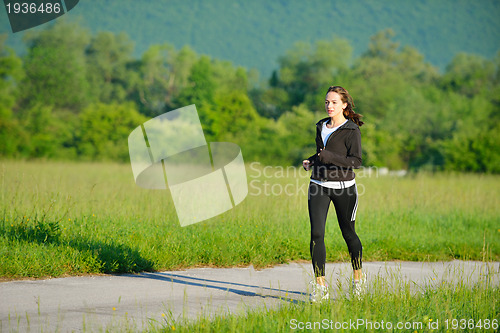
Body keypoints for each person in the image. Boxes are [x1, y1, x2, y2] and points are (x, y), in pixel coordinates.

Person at [302, 85, 365, 302]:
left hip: (344, 188)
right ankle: (321, 287)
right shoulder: (321, 125)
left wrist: (329, 157)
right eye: (327, 102)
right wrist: (312, 159)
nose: (329, 106)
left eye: (334, 102)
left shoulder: (351, 131)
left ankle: (358, 281)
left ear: (344, 105)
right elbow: (324, 153)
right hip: (318, 184)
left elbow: (355, 161)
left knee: (349, 234)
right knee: (316, 234)